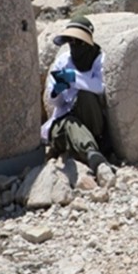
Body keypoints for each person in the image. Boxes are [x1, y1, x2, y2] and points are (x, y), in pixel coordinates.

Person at [41, 16, 115, 185]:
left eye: (79, 42)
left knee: (85, 95)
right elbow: (57, 103)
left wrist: (74, 79)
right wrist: (57, 90)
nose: (75, 47)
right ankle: (93, 155)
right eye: (71, 42)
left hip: (92, 120)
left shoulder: (99, 60)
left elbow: (101, 87)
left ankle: (91, 149)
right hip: (64, 120)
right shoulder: (63, 61)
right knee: (68, 123)